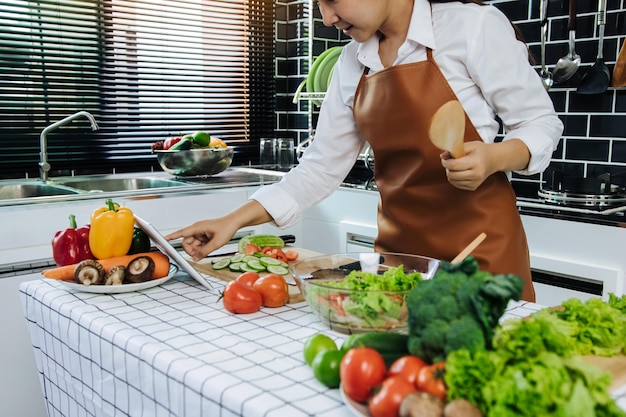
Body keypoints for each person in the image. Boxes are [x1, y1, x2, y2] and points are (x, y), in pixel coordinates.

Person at [166, 0, 563, 302]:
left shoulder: (471, 28)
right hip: (398, 260)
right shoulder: (351, 62)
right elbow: (319, 168)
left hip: (482, 254)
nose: (326, 18)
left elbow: (541, 124)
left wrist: (494, 157)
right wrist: (233, 221)